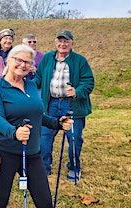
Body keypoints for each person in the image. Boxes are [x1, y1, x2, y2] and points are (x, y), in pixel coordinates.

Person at [0, 44, 73, 208]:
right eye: (19, 60)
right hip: (5, 151)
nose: (23, 65)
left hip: (32, 153)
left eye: (28, 62)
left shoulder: (32, 85)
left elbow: (37, 114)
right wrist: (14, 132)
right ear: (9, 60)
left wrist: (57, 123)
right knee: (1, 199)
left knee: (45, 202)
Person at [36, 30, 94, 180]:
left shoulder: (79, 60)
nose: (63, 44)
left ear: (71, 43)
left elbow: (88, 82)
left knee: (74, 137)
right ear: (56, 43)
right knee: (45, 137)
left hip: (71, 105)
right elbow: (39, 78)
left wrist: (76, 91)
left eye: (66, 41)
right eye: (60, 41)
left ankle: (74, 168)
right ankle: (44, 167)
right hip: (50, 104)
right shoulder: (48, 57)